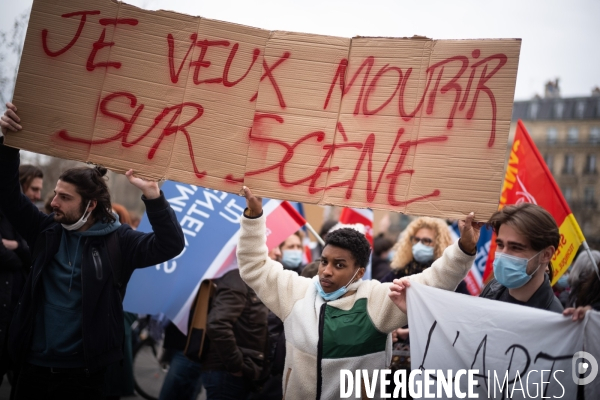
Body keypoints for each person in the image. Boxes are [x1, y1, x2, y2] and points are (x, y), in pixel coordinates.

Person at [0, 102, 185, 399]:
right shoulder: (45, 231)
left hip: (87, 376)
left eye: (64, 197)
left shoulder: (119, 241)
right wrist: (8, 143)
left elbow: (170, 244)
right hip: (32, 369)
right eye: (55, 194)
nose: (53, 203)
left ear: (90, 205)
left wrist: (153, 197)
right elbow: (8, 194)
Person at [236, 186, 480, 399]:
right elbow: (254, 266)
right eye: (324, 262)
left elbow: (433, 281)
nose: (326, 272)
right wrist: (254, 217)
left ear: (359, 271)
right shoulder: (296, 292)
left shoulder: (375, 300)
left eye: (339, 265)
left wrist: (464, 249)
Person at [0, 163, 43, 396]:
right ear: (20, 184)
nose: (38, 195)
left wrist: (17, 246)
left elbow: (35, 254)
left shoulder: (34, 220)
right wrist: (22, 255)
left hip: (18, 315)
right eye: (34, 189)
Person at [479, 203, 563, 312]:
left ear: (546, 254)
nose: (504, 254)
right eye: (500, 245)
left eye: (516, 247)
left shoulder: (553, 318)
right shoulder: (492, 288)